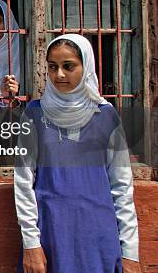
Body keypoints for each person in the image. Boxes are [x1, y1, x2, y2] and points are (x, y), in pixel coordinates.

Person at [14, 34, 140, 273]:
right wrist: (31, 243)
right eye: (52, 67)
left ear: (87, 67)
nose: (59, 74)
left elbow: (122, 187)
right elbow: (23, 181)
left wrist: (130, 252)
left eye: (68, 66)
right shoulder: (34, 114)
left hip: (98, 238)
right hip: (51, 235)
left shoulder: (106, 115)